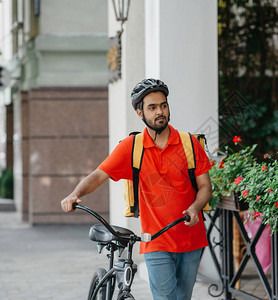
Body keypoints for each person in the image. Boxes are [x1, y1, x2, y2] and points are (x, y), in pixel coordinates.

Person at [61, 78, 212, 300]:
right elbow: (98, 175)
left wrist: (195, 208)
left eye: (163, 105)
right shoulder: (131, 148)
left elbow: (205, 187)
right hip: (156, 241)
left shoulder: (189, 144)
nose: (160, 111)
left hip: (191, 239)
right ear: (140, 113)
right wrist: (76, 194)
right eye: (152, 107)